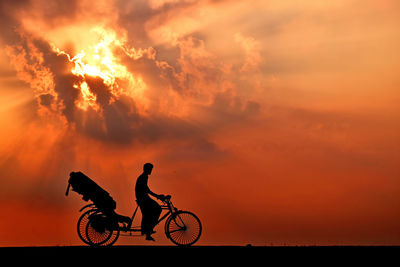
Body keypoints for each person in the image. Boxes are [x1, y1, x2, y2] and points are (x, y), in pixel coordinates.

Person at [135, 163, 165, 241]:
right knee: (158, 209)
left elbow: (147, 189)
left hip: (143, 198)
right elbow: (146, 190)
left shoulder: (144, 176)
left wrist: (157, 196)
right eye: (150, 169)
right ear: (146, 169)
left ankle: (148, 231)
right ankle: (149, 229)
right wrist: (157, 196)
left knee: (148, 214)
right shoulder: (143, 177)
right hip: (143, 198)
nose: (151, 171)